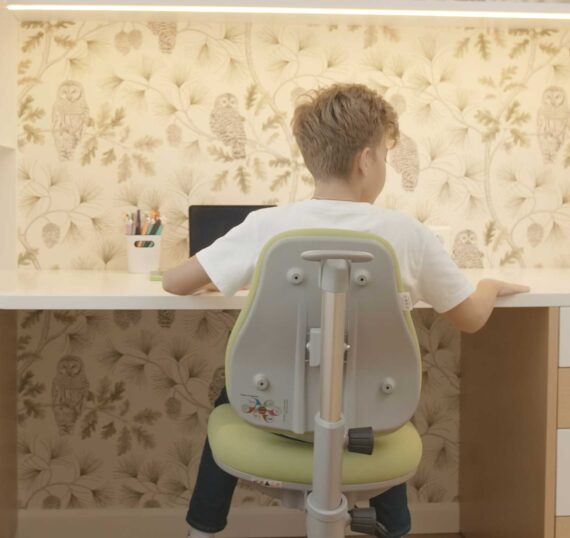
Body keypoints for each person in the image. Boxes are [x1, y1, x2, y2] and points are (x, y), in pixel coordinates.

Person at [162, 83, 529, 538]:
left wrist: (225, 277)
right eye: (386, 157)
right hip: (367, 420)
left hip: (273, 411)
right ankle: (393, 528)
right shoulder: (406, 234)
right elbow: (471, 319)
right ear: (367, 160)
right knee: (377, 402)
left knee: (230, 396)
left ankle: (203, 529)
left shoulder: (268, 225)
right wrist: (489, 285)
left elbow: (174, 283)